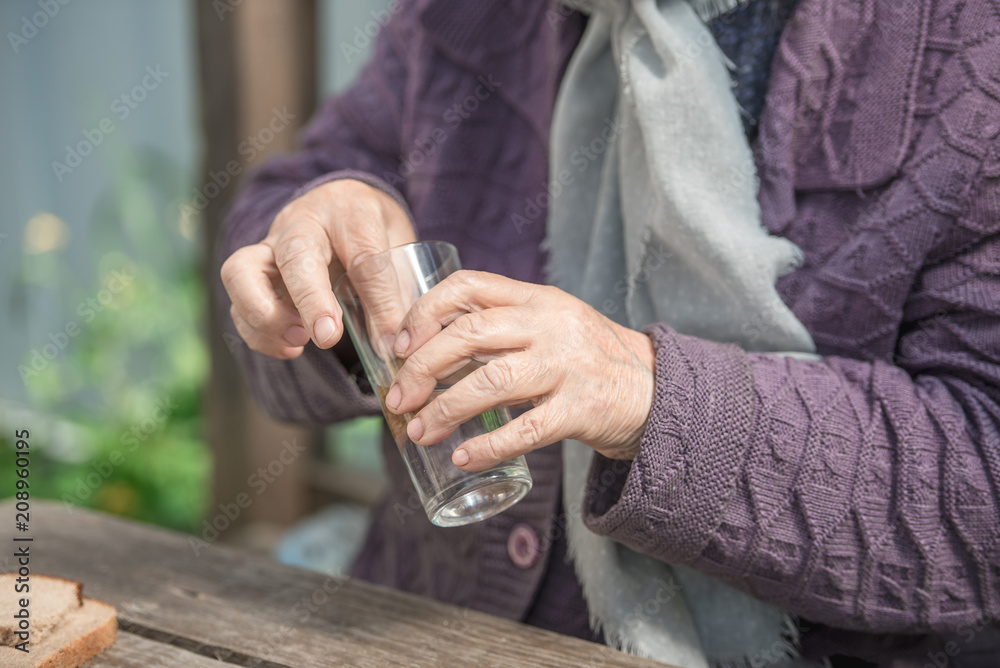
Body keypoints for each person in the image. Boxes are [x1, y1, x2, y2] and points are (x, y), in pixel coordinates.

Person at [218, 0, 1000, 665]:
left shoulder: (971, 48)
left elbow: (982, 489)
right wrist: (315, 243)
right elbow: (296, 194)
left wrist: (640, 392)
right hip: (423, 632)